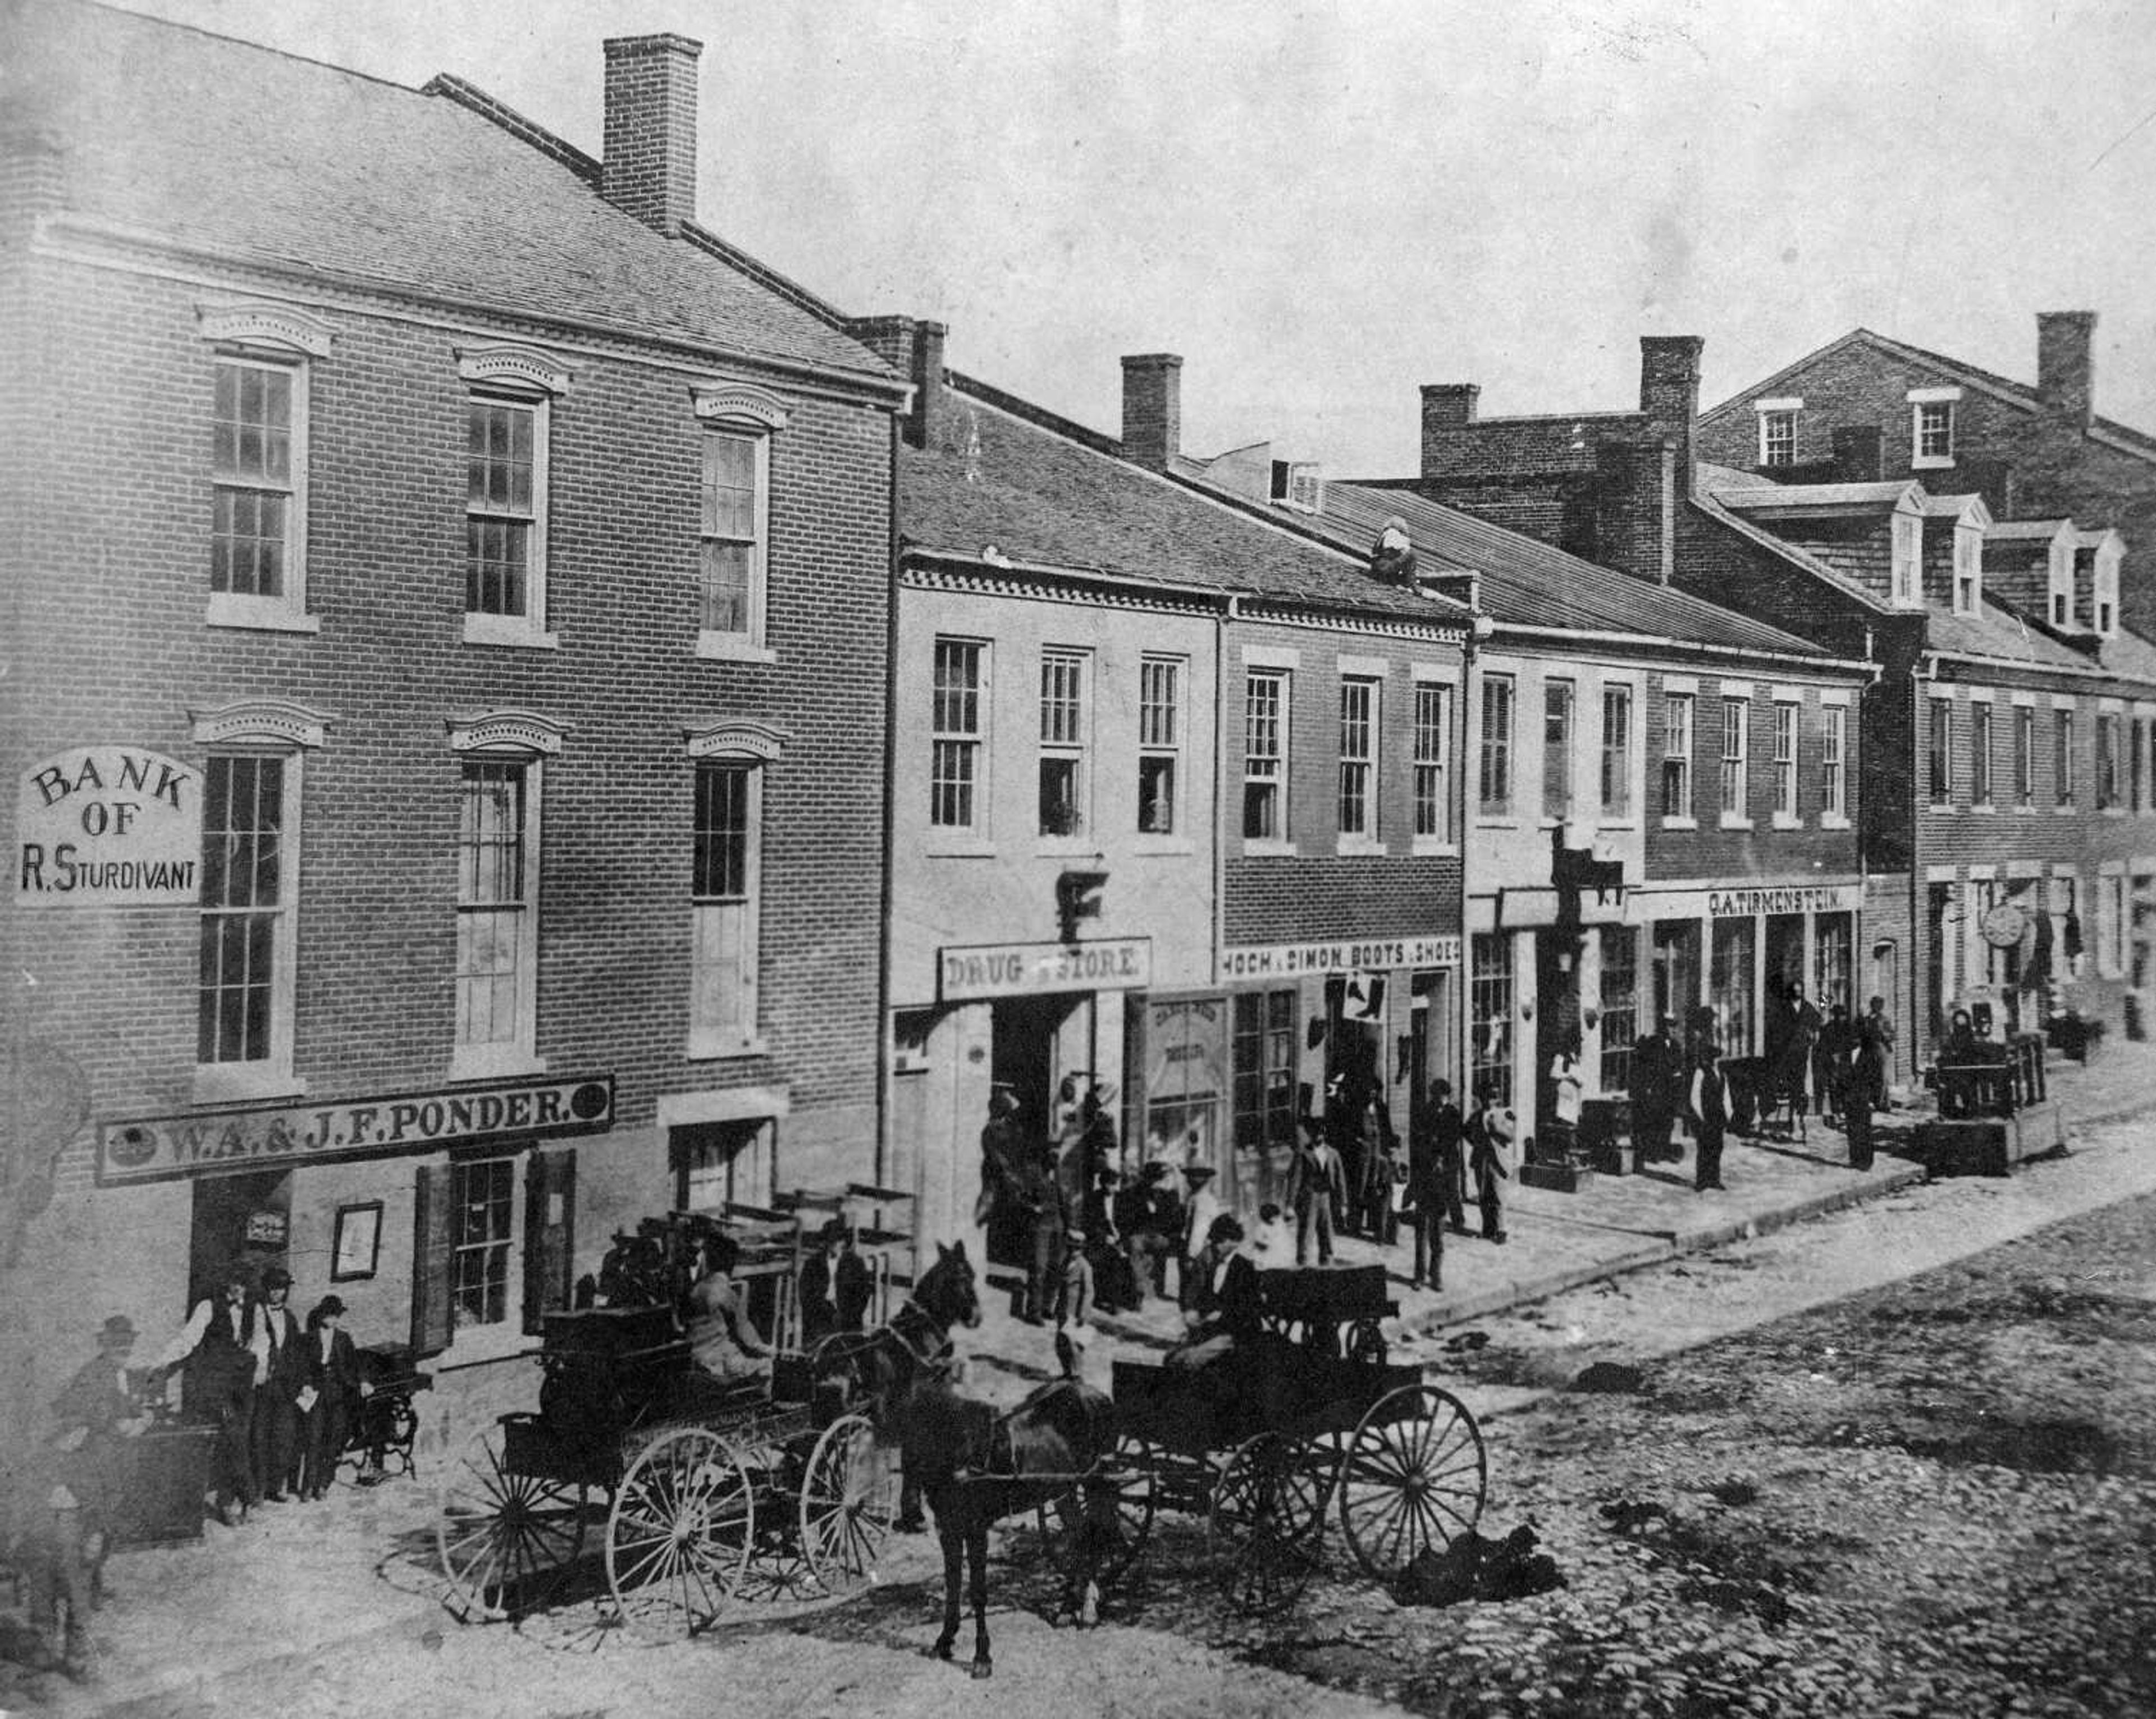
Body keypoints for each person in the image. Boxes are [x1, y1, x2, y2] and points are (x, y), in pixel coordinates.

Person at [34, 1315, 151, 1674]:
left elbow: (127, 1410)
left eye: (128, 1341)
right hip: (85, 1486)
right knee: (76, 1563)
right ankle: (71, 1648)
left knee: (92, 1555)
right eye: (117, 1341)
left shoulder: (120, 1375)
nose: (124, 1347)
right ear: (103, 1343)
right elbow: (83, 1421)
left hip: (107, 1481)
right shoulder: (91, 1377)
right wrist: (114, 1426)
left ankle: (72, 1632)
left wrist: (143, 1418)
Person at [153, 1261, 266, 1521]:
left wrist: (256, 1370)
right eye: (236, 1283)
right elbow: (188, 1339)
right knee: (233, 1437)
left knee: (238, 1440)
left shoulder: (254, 1309)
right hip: (217, 1386)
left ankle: (227, 1502)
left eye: (245, 1284)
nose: (240, 1289)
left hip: (243, 1385)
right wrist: (162, 1361)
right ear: (228, 1282)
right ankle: (246, 1495)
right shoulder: (208, 1306)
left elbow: (262, 1343)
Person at [1167, 1214, 1262, 1372]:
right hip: (1213, 1329)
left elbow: (1249, 1310)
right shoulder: (1215, 1264)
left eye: (1219, 1242)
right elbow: (1205, 1298)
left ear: (1233, 1241)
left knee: (1190, 1361)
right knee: (1172, 1357)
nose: (1214, 1246)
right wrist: (1197, 1314)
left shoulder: (1244, 1268)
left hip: (1234, 1335)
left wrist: (1222, 1314)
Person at [249, 1265, 307, 1502]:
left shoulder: (290, 1318)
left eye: (281, 1290)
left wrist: (297, 1382)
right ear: (266, 1290)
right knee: (260, 1437)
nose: (277, 1294)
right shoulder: (258, 1314)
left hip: (284, 1388)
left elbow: (296, 1352)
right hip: (263, 1386)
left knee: (283, 1437)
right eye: (273, 1289)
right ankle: (259, 1490)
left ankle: (277, 1486)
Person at [298, 1295, 363, 1502]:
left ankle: (324, 1484)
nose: (332, 1320)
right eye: (328, 1315)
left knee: (334, 1440)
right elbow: (304, 1367)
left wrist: (363, 1382)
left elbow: (355, 1365)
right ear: (321, 1316)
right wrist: (306, 1384)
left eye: (336, 1316)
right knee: (314, 1438)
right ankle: (308, 1485)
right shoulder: (309, 1338)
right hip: (317, 1394)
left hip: (338, 1394)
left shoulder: (344, 1339)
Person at [683, 1233, 771, 1383]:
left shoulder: (698, 1288)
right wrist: (769, 1350)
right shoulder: (723, 1289)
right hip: (718, 1359)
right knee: (770, 1369)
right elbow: (745, 1331)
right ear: (731, 1262)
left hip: (696, 1356)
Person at [1408, 1080, 1462, 1290]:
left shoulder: (1453, 1115)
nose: (1440, 1099)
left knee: (1437, 1233)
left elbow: (1452, 1141)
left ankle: (1436, 1273)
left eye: (1443, 1096)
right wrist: (1429, 1158)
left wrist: (1442, 1159)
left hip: (1443, 1181)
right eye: (1436, 1095)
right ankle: (1419, 1275)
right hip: (1424, 1179)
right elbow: (1418, 1141)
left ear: (1447, 1097)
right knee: (1421, 1231)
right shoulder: (1424, 1113)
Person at [1115, 1161, 1176, 1307]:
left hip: (1156, 1235)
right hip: (1138, 1234)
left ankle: (1158, 1289)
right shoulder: (1132, 1193)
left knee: (1172, 1245)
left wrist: (1164, 1234)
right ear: (1146, 1178)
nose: (1157, 1182)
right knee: (1136, 1250)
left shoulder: (1164, 1195)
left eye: (1159, 1179)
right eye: (1154, 1179)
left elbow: (1169, 1219)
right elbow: (1125, 1219)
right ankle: (1139, 1292)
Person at [1287, 1117, 1346, 1266]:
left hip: (1326, 1198)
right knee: (1306, 1235)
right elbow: (1295, 1180)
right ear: (1310, 1133)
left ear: (1325, 1134)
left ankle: (1327, 1266)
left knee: (1327, 1235)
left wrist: (1344, 1203)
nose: (1318, 1136)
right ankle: (1302, 1267)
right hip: (1309, 1198)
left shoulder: (1333, 1154)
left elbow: (1341, 1181)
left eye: (1321, 1133)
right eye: (1315, 1133)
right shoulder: (1303, 1153)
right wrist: (1290, 1205)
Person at [1631, 1016, 1680, 1168]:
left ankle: (1665, 1150)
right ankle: (1654, 1153)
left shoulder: (1676, 1045)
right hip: (1657, 1089)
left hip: (1671, 1089)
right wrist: (1648, 1086)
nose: (1672, 1030)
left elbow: (1679, 1064)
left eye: (1674, 1027)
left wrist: (1678, 1075)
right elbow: (1646, 1067)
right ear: (1663, 1028)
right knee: (1655, 1121)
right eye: (1669, 1026)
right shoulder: (1653, 1043)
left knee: (1668, 1121)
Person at [1464, 1086, 1510, 1243]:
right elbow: (1466, 1131)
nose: (1488, 1101)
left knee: (1498, 1195)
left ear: (1496, 1099)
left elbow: (1510, 1136)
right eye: (1485, 1097)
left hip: (1497, 1161)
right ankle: (1488, 1229)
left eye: (1492, 1097)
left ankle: (1501, 1230)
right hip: (1481, 1159)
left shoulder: (1503, 1115)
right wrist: (1476, 1143)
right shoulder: (1476, 1116)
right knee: (1484, 1195)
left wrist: (1495, 1129)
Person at [1687, 1044, 1733, 1192]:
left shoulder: (1722, 1074)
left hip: (1718, 1116)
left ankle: (1714, 1179)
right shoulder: (1700, 1073)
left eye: (1717, 1058)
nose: (1715, 1061)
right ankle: (1702, 1181)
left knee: (1717, 1147)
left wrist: (1729, 1115)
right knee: (1704, 1148)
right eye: (1713, 1058)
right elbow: (1694, 1097)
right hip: (1706, 1116)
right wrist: (1701, 1116)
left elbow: (1726, 1097)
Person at [1178, 1162, 1223, 1295]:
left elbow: (1199, 1230)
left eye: (1192, 1176)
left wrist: (1191, 1256)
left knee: (1195, 1290)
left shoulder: (1202, 1200)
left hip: (1200, 1250)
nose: (1189, 1180)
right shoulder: (1197, 1197)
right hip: (1203, 1249)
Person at [1846, 1025, 1883, 1172]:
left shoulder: (1871, 1055)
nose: (1854, 1040)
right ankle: (1854, 1158)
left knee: (1865, 1129)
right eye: (1851, 1038)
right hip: (1850, 1098)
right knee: (1852, 1129)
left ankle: (1866, 1161)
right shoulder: (1846, 1055)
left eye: (1857, 1037)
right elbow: (1842, 1077)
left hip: (1865, 1098)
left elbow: (1877, 1079)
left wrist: (1874, 1100)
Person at [1814, 1004, 1855, 1129]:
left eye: (1842, 1015)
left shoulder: (1848, 1028)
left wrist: (1844, 1052)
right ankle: (1836, 1113)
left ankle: (1845, 1114)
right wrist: (1831, 1054)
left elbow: (1855, 1042)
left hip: (1845, 1062)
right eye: (1838, 1015)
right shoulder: (1828, 1028)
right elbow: (1822, 1045)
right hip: (1832, 1063)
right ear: (1834, 1015)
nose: (1840, 1018)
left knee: (1845, 1089)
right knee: (1834, 1088)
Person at [1862, 996, 1896, 1109]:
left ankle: (1881, 1103)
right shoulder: (1866, 1019)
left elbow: (1892, 1035)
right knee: (1869, 1076)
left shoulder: (1884, 1019)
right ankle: (1878, 1102)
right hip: (1868, 1050)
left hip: (1881, 1049)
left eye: (1878, 1005)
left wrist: (1884, 1035)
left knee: (1881, 1076)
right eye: (1874, 1005)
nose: (1875, 1007)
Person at [1248, 1200, 1291, 1267]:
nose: (1277, 1218)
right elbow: (1258, 1243)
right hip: (1265, 1257)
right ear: (1268, 1217)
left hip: (1276, 1256)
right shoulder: (1261, 1227)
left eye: (1277, 1216)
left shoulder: (1277, 1224)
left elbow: (1285, 1220)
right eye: (1275, 1217)